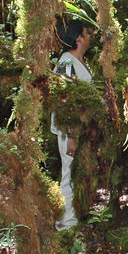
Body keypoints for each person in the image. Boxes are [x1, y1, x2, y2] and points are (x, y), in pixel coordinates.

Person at [51, 17, 95, 230]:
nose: (89, 37)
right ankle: (66, 222)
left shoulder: (76, 62)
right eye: (87, 33)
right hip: (69, 129)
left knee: (76, 173)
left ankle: (75, 216)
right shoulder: (66, 62)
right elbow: (64, 100)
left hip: (79, 129)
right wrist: (71, 135)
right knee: (68, 173)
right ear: (78, 38)